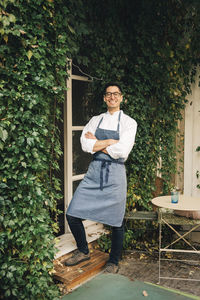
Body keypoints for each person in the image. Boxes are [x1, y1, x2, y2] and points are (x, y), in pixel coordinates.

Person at [65, 83, 137, 273]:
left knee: (116, 222)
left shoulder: (129, 123)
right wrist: (110, 142)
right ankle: (83, 250)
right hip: (95, 172)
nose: (112, 97)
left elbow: (122, 150)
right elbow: (84, 144)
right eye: (108, 94)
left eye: (116, 94)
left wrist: (97, 143)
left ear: (121, 98)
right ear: (104, 98)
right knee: (72, 214)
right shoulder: (95, 120)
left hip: (115, 174)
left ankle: (113, 262)